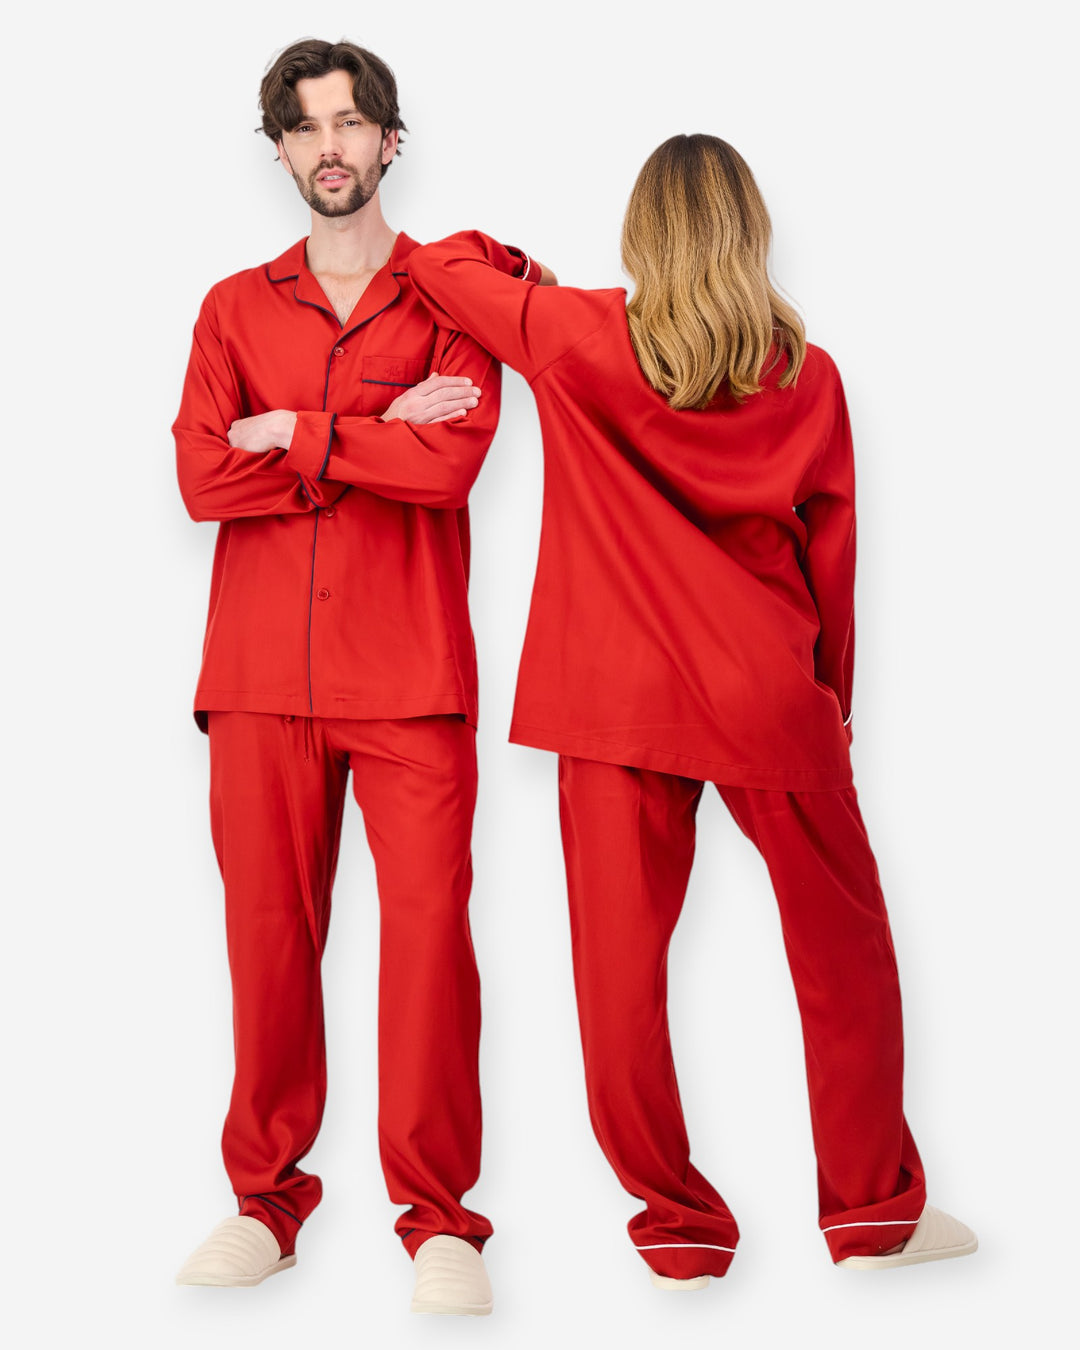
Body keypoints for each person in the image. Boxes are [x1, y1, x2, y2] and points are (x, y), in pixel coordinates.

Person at [407, 134, 977, 1287]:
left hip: (611, 701)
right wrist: (835, 703)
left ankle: (677, 1225)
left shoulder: (574, 334)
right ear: (750, 231)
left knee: (618, 973)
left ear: (640, 235)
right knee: (847, 958)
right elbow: (833, 553)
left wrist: (525, 273)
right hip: (767, 693)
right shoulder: (806, 374)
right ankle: (872, 1217)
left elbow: (433, 263)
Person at [172, 39, 497, 1315]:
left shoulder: (451, 299)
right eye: (306, 127)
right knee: (267, 946)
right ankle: (265, 1203)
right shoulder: (231, 308)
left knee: (428, 954)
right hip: (260, 677)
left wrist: (298, 433)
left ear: (389, 141)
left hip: (411, 676)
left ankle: (441, 1222)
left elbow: (450, 469)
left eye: (351, 123)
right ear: (279, 151)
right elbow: (204, 479)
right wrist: (374, 436)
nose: (330, 146)